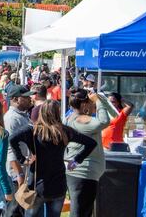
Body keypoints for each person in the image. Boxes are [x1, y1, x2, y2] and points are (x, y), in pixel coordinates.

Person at [9, 101, 97, 217]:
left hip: (37, 185)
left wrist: (23, 160)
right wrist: (76, 160)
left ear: (42, 112)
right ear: (57, 113)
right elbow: (91, 143)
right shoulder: (64, 131)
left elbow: (12, 139)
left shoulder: (32, 130)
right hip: (58, 184)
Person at [63, 89, 117, 217]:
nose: (93, 106)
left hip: (80, 172)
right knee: (80, 212)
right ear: (83, 105)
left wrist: (100, 99)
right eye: (91, 103)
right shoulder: (81, 120)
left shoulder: (69, 118)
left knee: (82, 210)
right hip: (82, 173)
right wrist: (98, 101)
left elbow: (114, 115)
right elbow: (104, 121)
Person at [3, 85, 33, 217]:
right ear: (15, 99)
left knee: (21, 209)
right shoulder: (11, 118)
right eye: (25, 97)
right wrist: (19, 173)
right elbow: (10, 149)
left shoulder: (22, 116)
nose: (29, 99)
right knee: (14, 210)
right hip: (16, 173)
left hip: (23, 170)